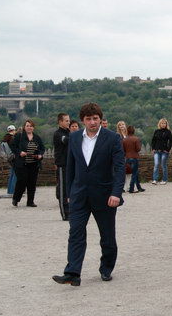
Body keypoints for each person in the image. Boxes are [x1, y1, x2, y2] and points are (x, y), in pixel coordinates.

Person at [52, 103, 124, 286]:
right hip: (79, 195)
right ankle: (73, 272)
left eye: (95, 118)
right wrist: (69, 193)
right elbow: (71, 166)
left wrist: (116, 193)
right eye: (88, 119)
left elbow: (119, 168)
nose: (92, 122)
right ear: (83, 120)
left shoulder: (112, 138)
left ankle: (106, 268)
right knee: (75, 233)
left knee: (107, 236)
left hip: (105, 196)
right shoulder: (74, 138)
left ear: (100, 119)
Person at [10, 119, 45, 207]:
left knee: (32, 182)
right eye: (27, 126)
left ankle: (30, 201)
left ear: (33, 127)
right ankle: (16, 199)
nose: (29, 127)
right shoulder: (19, 136)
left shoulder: (37, 137)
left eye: (31, 126)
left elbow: (42, 148)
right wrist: (19, 152)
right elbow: (13, 146)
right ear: (24, 127)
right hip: (22, 163)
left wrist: (40, 154)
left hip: (34, 163)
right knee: (22, 181)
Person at [53, 113, 71, 219]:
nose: (68, 122)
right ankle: (65, 213)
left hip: (71, 164)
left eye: (69, 120)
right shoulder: (58, 134)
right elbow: (66, 141)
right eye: (66, 121)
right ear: (60, 122)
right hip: (62, 165)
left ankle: (72, 210)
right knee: (63, 189)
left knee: (71, 188)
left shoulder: (69, 133)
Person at [150, 118, 172, 185]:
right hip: (157, 151)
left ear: (166, 124)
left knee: (163, 165)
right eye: (162, 123)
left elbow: (171, 141)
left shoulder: (168, 132)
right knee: (156, 164)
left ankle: (164, 179)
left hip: (164, 151)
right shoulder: (156, 131)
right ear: (160, 124)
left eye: (164, 123)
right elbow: (153, 140)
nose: (163, 124)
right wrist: (153, 148)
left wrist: (168, 149)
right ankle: (155, 179)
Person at [123, 126, 144, 193]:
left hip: (127, 158)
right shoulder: (136, 139)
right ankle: (131, 188)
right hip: (134, 157)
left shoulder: (124, 140)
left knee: (135, 173)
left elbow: (123, 150)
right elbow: (138, 149)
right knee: (134, 173)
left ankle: (139, 187)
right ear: (134, 131)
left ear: (127, 131)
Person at [0, 125, 17, 195]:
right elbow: (15, 149)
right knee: (15, 175)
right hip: (14, 158)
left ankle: (9, 191)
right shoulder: (12, 138)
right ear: (13, 130)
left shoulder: (4, 139)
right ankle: (13, 191)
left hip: (9, 159)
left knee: (12, 174)